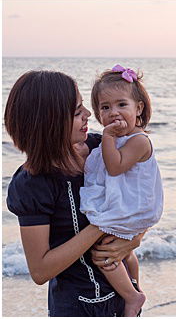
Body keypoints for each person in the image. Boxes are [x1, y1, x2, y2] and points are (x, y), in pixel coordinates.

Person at [4, 70, 143, 316]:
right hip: (76, 307)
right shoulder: (31, 184)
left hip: (125, 298)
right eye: (78, 111)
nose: (89, 114)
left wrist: (135, 239)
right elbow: (40, 271)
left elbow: (142, 196)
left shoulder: (102, 148)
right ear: (51, 123)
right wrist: (100, 225)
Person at [80, 65, 164, 316]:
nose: (113, 113)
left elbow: (115, 168)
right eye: (105, 108)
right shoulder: (118, 139)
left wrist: (106, 137)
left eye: (121, 105)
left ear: (138, 108)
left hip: (133, 208)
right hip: (126, 204)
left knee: (103, 253)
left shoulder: (138, 141)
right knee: (122, 249)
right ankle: (134, 282)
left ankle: (131, 296)